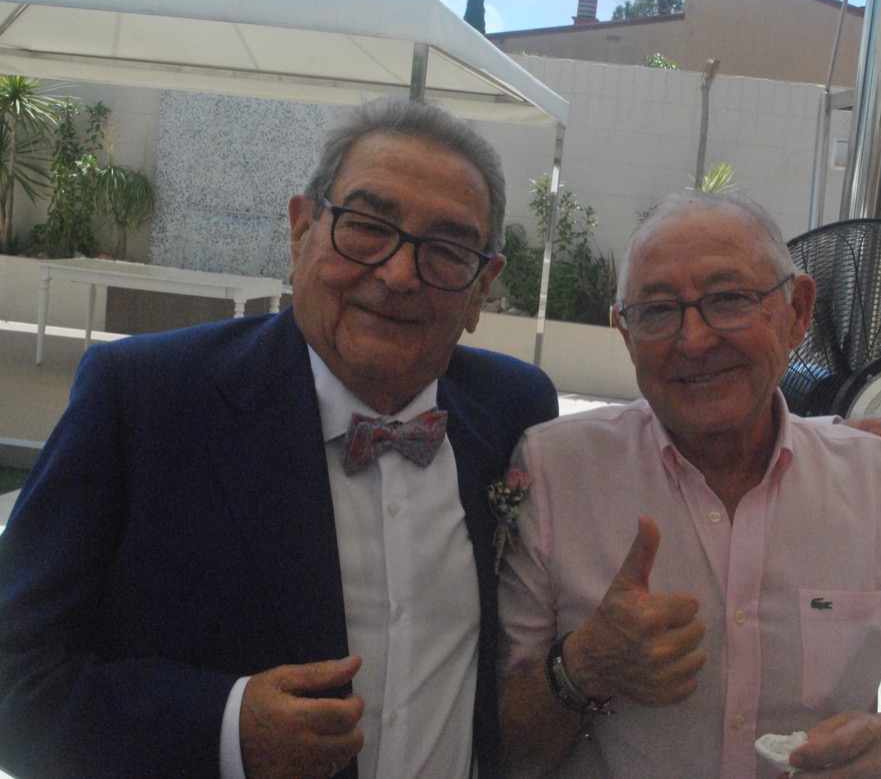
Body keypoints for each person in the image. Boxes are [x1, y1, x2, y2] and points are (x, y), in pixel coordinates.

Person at [0, 98, 558, 778]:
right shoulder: (144, 398)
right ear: (301, 232)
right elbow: (14, 678)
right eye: (367, 226)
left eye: (447, 250)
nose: (398, 274)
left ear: (481, 289)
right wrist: (225, 727)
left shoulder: (514, 409)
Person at [497, 192, 881, 778]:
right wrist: (584, 667)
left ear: (798, 312)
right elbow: (501, 748)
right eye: (657, 311)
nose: (694, 340)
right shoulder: (555, 471)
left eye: (729, 300)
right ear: (626, 335)